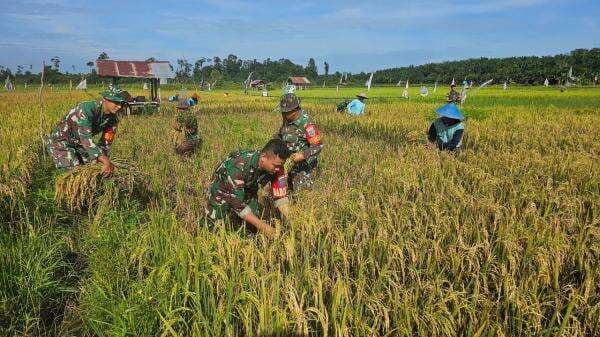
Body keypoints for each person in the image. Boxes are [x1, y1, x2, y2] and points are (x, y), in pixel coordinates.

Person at [205, 139, 291, 237]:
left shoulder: (278, 167)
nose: (278, 170)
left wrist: (291, 222)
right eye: (276, 166)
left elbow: (281, 197)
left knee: (253, 224)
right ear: (263, 157)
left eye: (280, 166)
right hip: (223, 186)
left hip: (249, 185)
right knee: (213, 228)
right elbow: (238, 204)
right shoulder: (238, 166)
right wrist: (264, 227)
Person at [46, 86, 131, 175]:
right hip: (61, 142)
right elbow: (85, 139)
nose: (119, 106)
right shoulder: (86, 109)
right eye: (116, 102)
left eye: (121, 103)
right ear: (106, 99)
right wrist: (105, 160)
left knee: (92, 168)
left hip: (78, 143)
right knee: (74, 172)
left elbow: (106, 142)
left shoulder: (114, 117)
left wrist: (102, 161)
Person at [275, 93, 324, 192]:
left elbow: (318, 146)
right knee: (283, 191)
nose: (283, 114)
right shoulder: (287, 120)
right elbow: (281, 135)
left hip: (303, 168)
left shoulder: (307, 124)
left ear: (294, 111)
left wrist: (302, 155)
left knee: (301, 194)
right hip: (288, 164)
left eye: (285, 112)